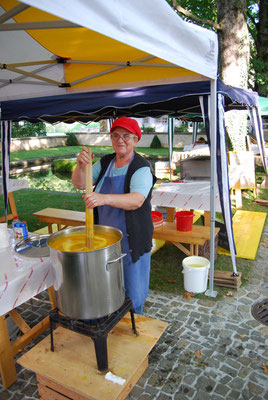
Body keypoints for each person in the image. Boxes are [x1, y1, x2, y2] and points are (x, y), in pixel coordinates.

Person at [72, 117, 156, 314]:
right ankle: (111, 318)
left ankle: (135, 323)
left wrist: (104, 198)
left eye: (126, 136)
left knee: (134, 290)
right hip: (105, 240)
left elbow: (136, 200)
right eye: (116, 135)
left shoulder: (141, 167)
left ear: (136, 140)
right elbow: (80, 184)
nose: (120, 140)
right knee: (108, 285)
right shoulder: (106, 162)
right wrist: (81, 167)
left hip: (131, 239)